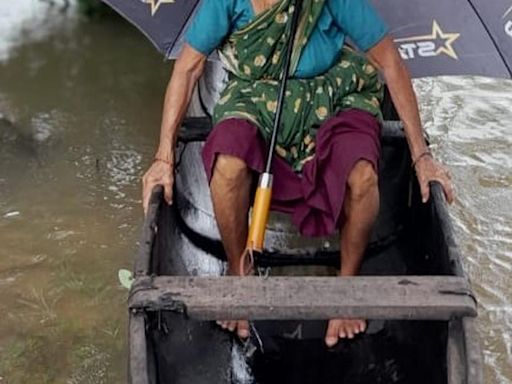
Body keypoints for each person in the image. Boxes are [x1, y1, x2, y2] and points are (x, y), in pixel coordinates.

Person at [142, 0, 454, 348]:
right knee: (228, 164)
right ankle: (238, 270)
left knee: (363, 175)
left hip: (332, 91)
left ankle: (348, 286)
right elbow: (188, 69)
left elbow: (389, 61)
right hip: (255, 93)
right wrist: (164, 157)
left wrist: (421, 155)